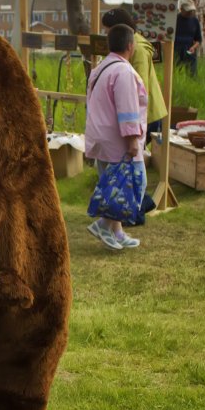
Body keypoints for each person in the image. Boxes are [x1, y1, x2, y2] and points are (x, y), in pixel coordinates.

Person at [85, 24, 148, 250]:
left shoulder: (100, 68)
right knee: (135, 184)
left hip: (100, 136)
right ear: (130, 46)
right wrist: (132, 140)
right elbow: (127, 108)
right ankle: (103, 224)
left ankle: (118, 233)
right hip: (117, 139)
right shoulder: (123, 72)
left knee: (114, 186)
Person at [101, 8, 167, 145]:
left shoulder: (139, 50)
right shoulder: (127, 44)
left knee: (133, 154)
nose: (107, 35)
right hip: (133, 113)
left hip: (147, 114)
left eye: (108, 31)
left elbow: (140, 88)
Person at [174, 0, 202, 77]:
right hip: (176, 50)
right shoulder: (175, 20)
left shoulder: (195, 21)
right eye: (188, 11)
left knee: (192, 75)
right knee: (176, 74)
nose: (190, 13)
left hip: (190, 50)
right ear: (181, 9)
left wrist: (193, 47)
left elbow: (198, 39)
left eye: (191, 11)